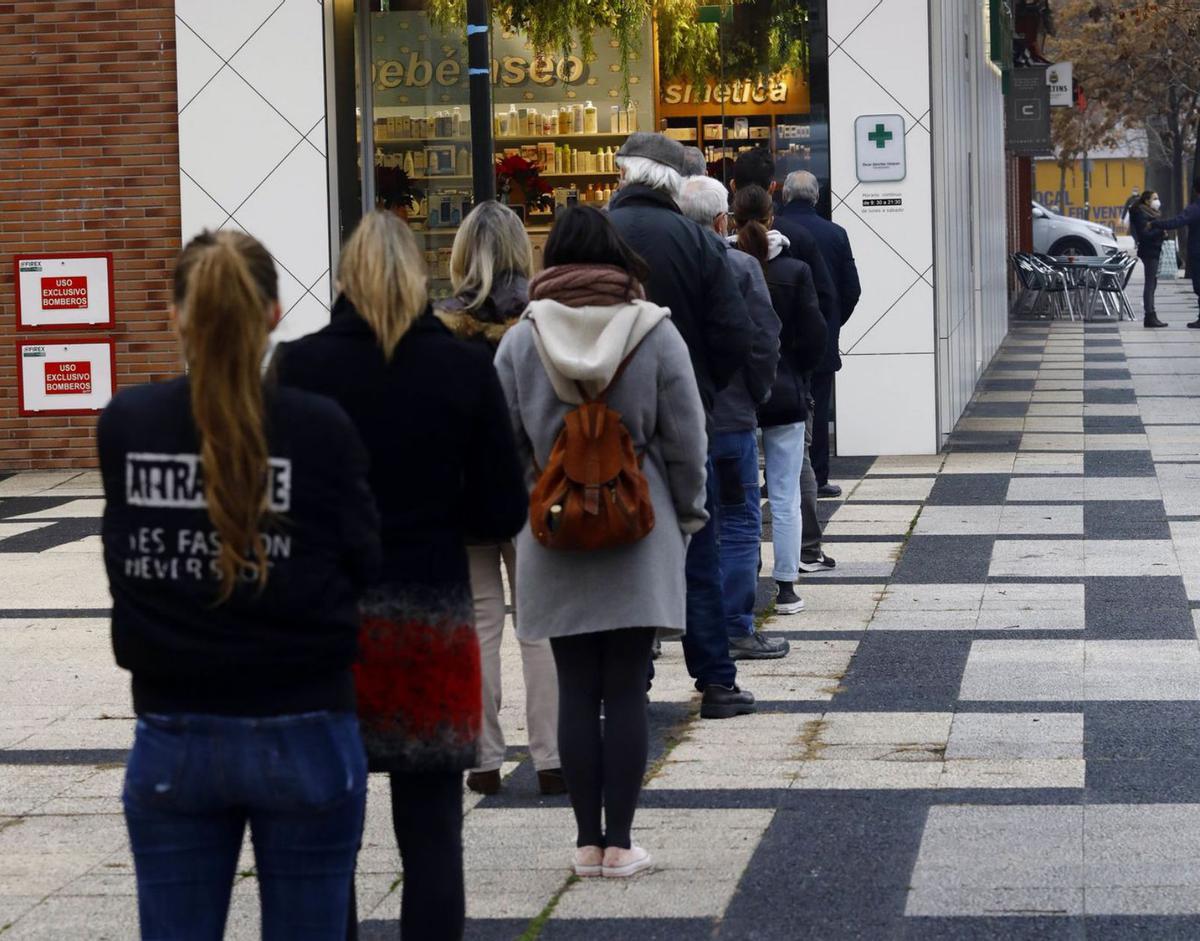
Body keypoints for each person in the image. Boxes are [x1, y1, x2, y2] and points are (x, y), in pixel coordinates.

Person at [100, 231, 380, 940]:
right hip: (306, 722)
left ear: (175, 316)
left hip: (175, 727)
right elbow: (364, 562)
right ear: (277, 314)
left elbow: (122, 561)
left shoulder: (129, 425)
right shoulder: (319, 427)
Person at [275, 211, 528, 941]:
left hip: (329, 629)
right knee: (431, 836)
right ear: (420, 276)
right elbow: (501, 506)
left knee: (330, 836)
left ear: (346, 276)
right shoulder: (461, 368)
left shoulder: (297, 368)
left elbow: (275, 502)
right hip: (432, 621)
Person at [494, 205, 709, 880]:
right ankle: (622, 841)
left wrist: (540, 491)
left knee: (575, 688)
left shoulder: (520, 342)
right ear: (618, 260)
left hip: (553, 533)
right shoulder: (655, 333)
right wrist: (688, 514)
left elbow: (504, 448)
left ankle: (587, 843)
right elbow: (687, 439)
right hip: (637, 530)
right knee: (626, 689)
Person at [607, 131, 758, 719]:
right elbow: (734, 332)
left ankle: (632, 677)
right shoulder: (697, 241)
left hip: (607, 423)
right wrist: (704, 387)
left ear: (624, 174)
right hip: (686, 413)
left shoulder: (597, 233)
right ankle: (716, 681)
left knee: (619, 549)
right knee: (699, 547)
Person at [435, 201, 564, 797]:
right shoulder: (540, 322)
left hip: (462, 496)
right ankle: (552, 756)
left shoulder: (437, 326)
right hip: (531, 490)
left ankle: (483, 756)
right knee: (537, 625)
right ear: (522, 250)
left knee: (479, 624)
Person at [677, 174, 789, 659]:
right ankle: (737, 628)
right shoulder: (741, 267)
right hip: (732, 418)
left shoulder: (665, 268)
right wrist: (756, 392)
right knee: (741, 522)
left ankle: (685, 624)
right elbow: (764, 339)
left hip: (680, 418)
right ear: (722, 219)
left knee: (684, 524)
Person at [729, 185, 830, 616]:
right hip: (787, 391)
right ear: (773, 217)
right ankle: (787, 586)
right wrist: (799, 373)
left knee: (742, 493)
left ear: (732, 219)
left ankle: (746, 574)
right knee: (786, 493)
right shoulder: (795, 270)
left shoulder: (722, 267)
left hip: (736, 396)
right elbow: (815, 335)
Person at [731, 150, 844, 503]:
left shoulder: (719, 257)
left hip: (731, 384)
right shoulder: (799, 247)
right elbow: (829, 303)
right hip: (790, 375)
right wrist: (806, 362)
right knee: (793, 477)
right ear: (773, 192)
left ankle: (748, 555)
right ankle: (804, 550)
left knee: (737, 485)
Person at [778, 170, 861, 505]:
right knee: (819, 403)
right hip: (821, 339)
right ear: (815, 197)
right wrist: (833, 323)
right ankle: (819, 476)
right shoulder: (835, 233)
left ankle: (780, 476)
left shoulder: (772, 231)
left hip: (779, 340)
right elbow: (852, 289)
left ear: (784, 195)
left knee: (779, 410)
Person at [1152, 179, 1200, 329]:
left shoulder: (1195, 208)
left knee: (1199, 286)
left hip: (1198, 253)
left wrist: (1156, 223)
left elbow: (1177, 222)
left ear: (1195, 191)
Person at [1128, 190, 1168, 328]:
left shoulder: (1150, 213)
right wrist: (1161, 231)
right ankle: (1149, 315)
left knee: (1152, 283)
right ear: (1147, 201)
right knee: (1150, 284)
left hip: (1153, 250)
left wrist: (1160, 231)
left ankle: (1151, 314)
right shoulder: (1141, 214)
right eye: (1155, 198)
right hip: (1149, 251)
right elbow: (1145, 235)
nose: (1158, 201)